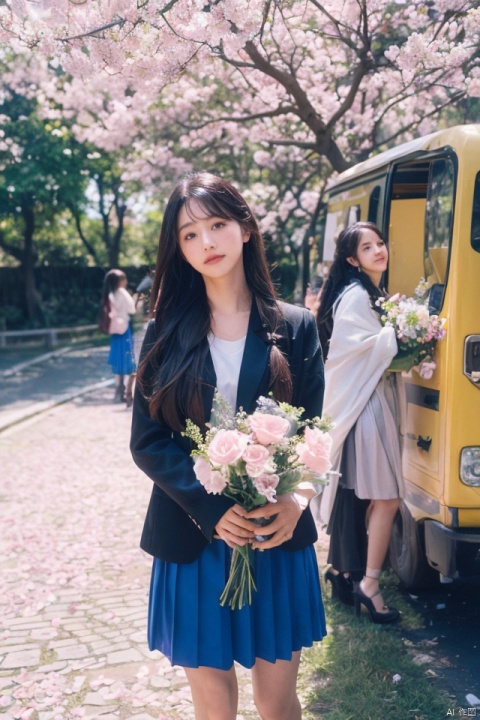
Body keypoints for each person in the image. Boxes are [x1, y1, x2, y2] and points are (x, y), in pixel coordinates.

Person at [130, 172, 326, 720]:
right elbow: (147, 442)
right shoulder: (165, 330)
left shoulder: (297, 326)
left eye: (217, 225)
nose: (207, 243)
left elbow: (314, 430)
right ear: (178, 247)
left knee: (277, 701)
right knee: (214, 706)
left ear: (245, 228)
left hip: (276, 535)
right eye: (190, 235)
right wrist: (213, 509)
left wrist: (297, 500)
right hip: (193, 535)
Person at [315, 221, 403, 624]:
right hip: (366, 405)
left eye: (380, 243)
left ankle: (349, 574)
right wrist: (403, 336)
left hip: (369, 400)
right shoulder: (356, 295)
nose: (378, 251)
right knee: (386, 498)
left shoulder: (367, 292)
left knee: (371, 498)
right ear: (352, 259)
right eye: (368, 248)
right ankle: (368, 583)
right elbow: (357, 348)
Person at [101, 268, 137, 406]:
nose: (126, 282)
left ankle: (118, 390)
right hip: (124, 329)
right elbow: (132, 309)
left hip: (115, 331)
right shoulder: (122, 293)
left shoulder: (109, 294)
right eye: (124, 279)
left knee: (118, 361)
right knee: (128, 360)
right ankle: (128, 392)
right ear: (119, 281)